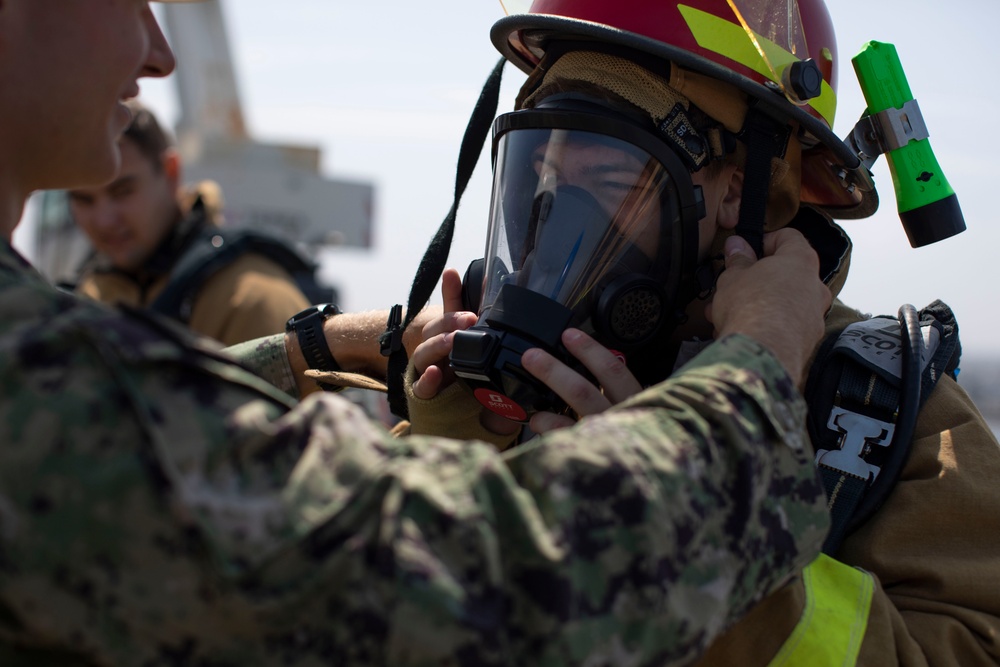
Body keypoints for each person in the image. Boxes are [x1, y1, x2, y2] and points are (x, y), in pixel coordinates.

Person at [0, 1, 844, 664]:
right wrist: (761, 356)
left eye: (609, 164)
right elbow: (471, 586)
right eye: (545, 167)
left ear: (740, 191)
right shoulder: (38, 380)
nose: (158, 49)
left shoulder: (872, 404)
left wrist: (329, 345)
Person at [403, 1, 1000, 664]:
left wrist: (676, 508)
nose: (553, 217)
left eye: (606, 178)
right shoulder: (482, 394)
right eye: (539, 176)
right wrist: (455, 455)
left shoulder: (886, 421)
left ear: (739, 192)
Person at [65, 99, 313, 346]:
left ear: (171, 172)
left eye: (123, 191)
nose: (104, 220)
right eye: (83, 199)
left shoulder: (252, 299)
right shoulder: (83, 300)